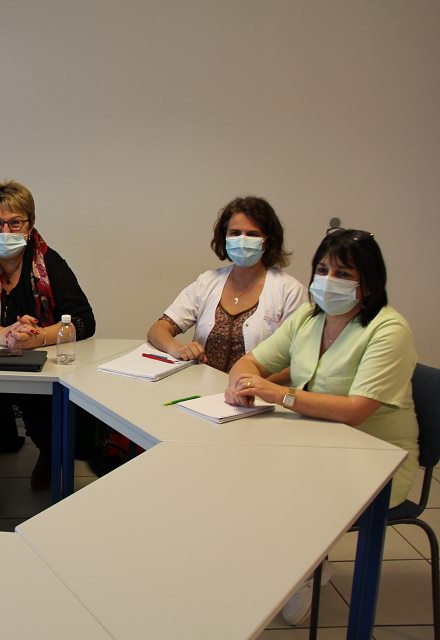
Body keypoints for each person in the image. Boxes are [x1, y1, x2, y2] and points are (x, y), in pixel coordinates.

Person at [225, 228, 418, 625]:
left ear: (369, 283)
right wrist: (240, 382)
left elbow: (356, 411)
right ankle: (293, 560)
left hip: (375, 459)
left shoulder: (388, 329)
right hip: (313, 440)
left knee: (276, 488)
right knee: (238, 472)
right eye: (323, 269)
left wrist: (280, 395)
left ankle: (305, 566)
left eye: (344, 273)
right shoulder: (311, 318)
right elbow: (252, 362)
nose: (329, 280)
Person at [0, 179, 95, 529]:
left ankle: (49, 455)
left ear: (30, 224)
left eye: (15, 223)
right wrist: (4, 334)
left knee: (58, 405)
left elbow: (84, 320)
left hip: (38, 367)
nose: (5, 230)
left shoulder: (50, 263)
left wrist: (36, 338)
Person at [147, 196, 306, 373]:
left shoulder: (290, 291)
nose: (242, 240)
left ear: (267, 242)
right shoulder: (208, 281)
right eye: (235, 233)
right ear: (225, 237)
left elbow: (298, 361)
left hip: (257, 394)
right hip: (199, 390)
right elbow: (158, 330)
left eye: (252, 234)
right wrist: (177, 349)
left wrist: (253, 386)